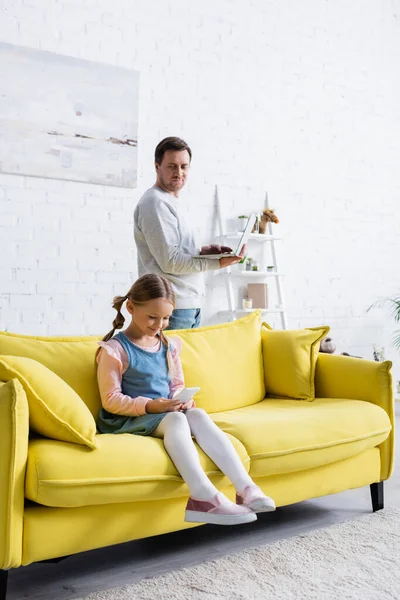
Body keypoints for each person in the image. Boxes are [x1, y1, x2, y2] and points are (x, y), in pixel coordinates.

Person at [96, 273, 276, 526]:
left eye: (166, 318)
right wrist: (150, 405)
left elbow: (176, 385)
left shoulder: (169, 345)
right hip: (127, 418)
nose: (159, 324)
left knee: (197, 414)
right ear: (130, 307)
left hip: (163, 412)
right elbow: (111, 400)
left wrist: (181, 401)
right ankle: (203, 496)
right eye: (152, 317)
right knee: (177, 422)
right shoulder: (115, 350)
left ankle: (246, 488)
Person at [134, 136, 244, 330]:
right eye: (172, 166)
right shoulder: (155, 203)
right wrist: (217, 262)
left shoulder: (171, 202)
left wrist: (204, 251)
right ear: (157, 166)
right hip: (170, 309)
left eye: (184, 166)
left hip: (186, 304)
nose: (179, 173)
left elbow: (177, 252)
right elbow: (171, 262)